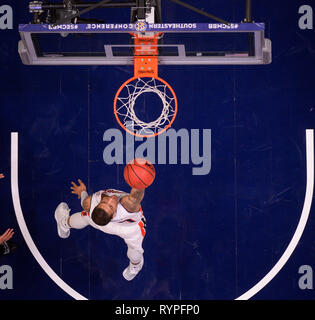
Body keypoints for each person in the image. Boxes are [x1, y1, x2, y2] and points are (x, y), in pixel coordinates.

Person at [54, 179, 147, 281]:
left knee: (86, 217)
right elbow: (135, 196)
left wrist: (82, 192)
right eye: (110, 206)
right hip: (130, 230)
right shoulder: (127, 206)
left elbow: (85, 204)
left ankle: (63, 225)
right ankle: (135, 267)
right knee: (135, 249)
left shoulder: (91, 203)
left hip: (102, 224)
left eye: (105, 202)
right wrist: (141, 178)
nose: (111, 199)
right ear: (113, 215)